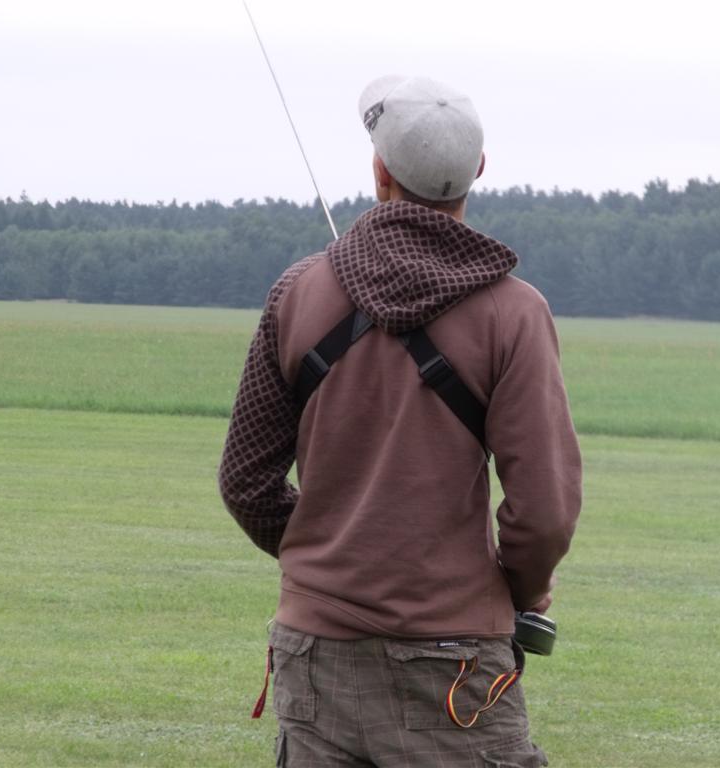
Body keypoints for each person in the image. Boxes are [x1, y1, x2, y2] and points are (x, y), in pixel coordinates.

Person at [219, 74, 582, 767]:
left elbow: (246, 483)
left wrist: (332, 563)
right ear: (478, 169)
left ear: (380, 171)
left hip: (314, 652)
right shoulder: (516, 313)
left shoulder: (296, 293)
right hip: (457, 659)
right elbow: (544, 513)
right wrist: (522, 590)